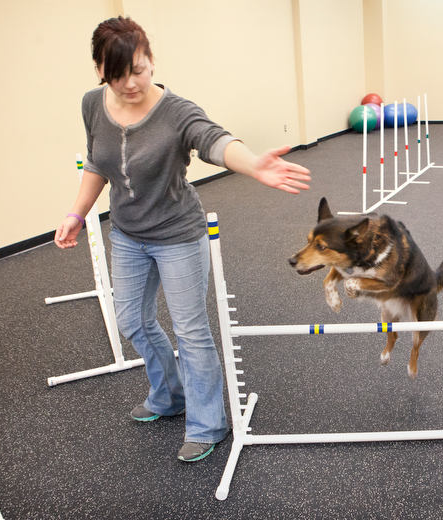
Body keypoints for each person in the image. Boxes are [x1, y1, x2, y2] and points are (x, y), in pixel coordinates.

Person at [54, 16, 311, 462]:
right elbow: (97, 164)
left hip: (177, 234)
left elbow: (213, 139)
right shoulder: (92, 104)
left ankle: (207, 423)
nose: (130, 82)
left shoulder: (175, 111)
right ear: (99, 70)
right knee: (131, 319)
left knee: (191, 332)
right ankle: (169, 394)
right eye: (117, 75)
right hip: (129, 234)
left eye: (138, 69)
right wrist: (78, 213)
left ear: (151, 60)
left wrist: (252, 165)